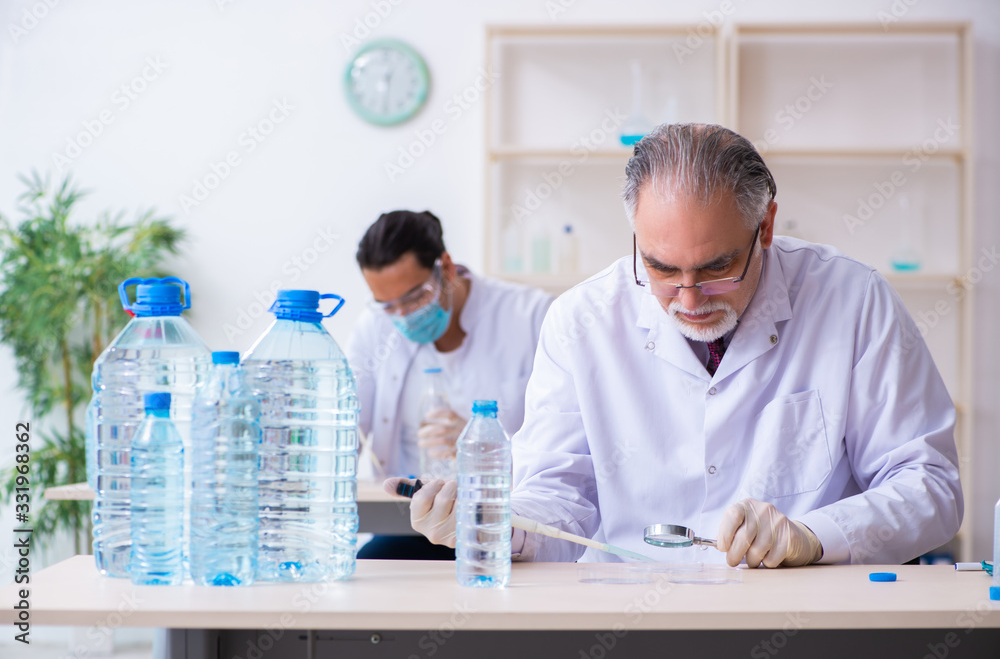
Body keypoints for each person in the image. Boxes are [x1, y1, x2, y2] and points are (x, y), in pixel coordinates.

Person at [388, 124, 963, 568]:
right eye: (660, 268)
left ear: (765, 228)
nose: (688, 299)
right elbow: (559, 498)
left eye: (717, 269)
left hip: (800, 615)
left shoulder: (853, 300)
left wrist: (814, 536)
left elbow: (930, 486)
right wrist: (496, 523)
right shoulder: (580, 322)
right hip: (629, 622)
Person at [348, 209, 553, 560]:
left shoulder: (532, 315)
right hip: (408, 522)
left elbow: (561, 447)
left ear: (445, 267)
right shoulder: (374, 326)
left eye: (415, 297)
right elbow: (346, 422)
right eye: (388, 305)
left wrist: (486, 450)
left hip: (502, 524)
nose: (403, 315)